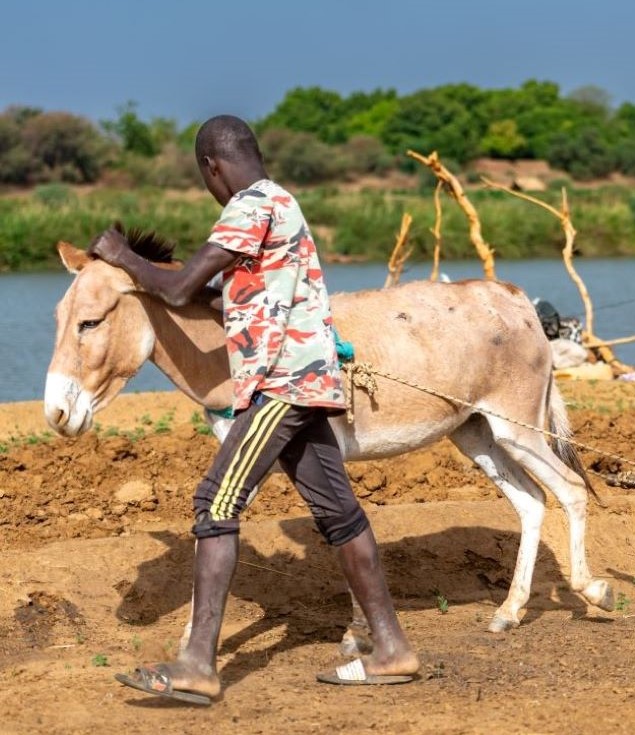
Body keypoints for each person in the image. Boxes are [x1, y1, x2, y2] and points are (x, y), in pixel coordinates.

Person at [91, 115, 419, 705]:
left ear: (211, 167)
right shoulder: (280, 206)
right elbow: (215, 293)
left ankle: (196, 664)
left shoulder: (251, 204)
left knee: (215, 501)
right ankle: (392, 649)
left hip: (281, 385)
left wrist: (121, 255)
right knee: (339, 514)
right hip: (304, 381)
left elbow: (177, 289)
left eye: (206, 179)